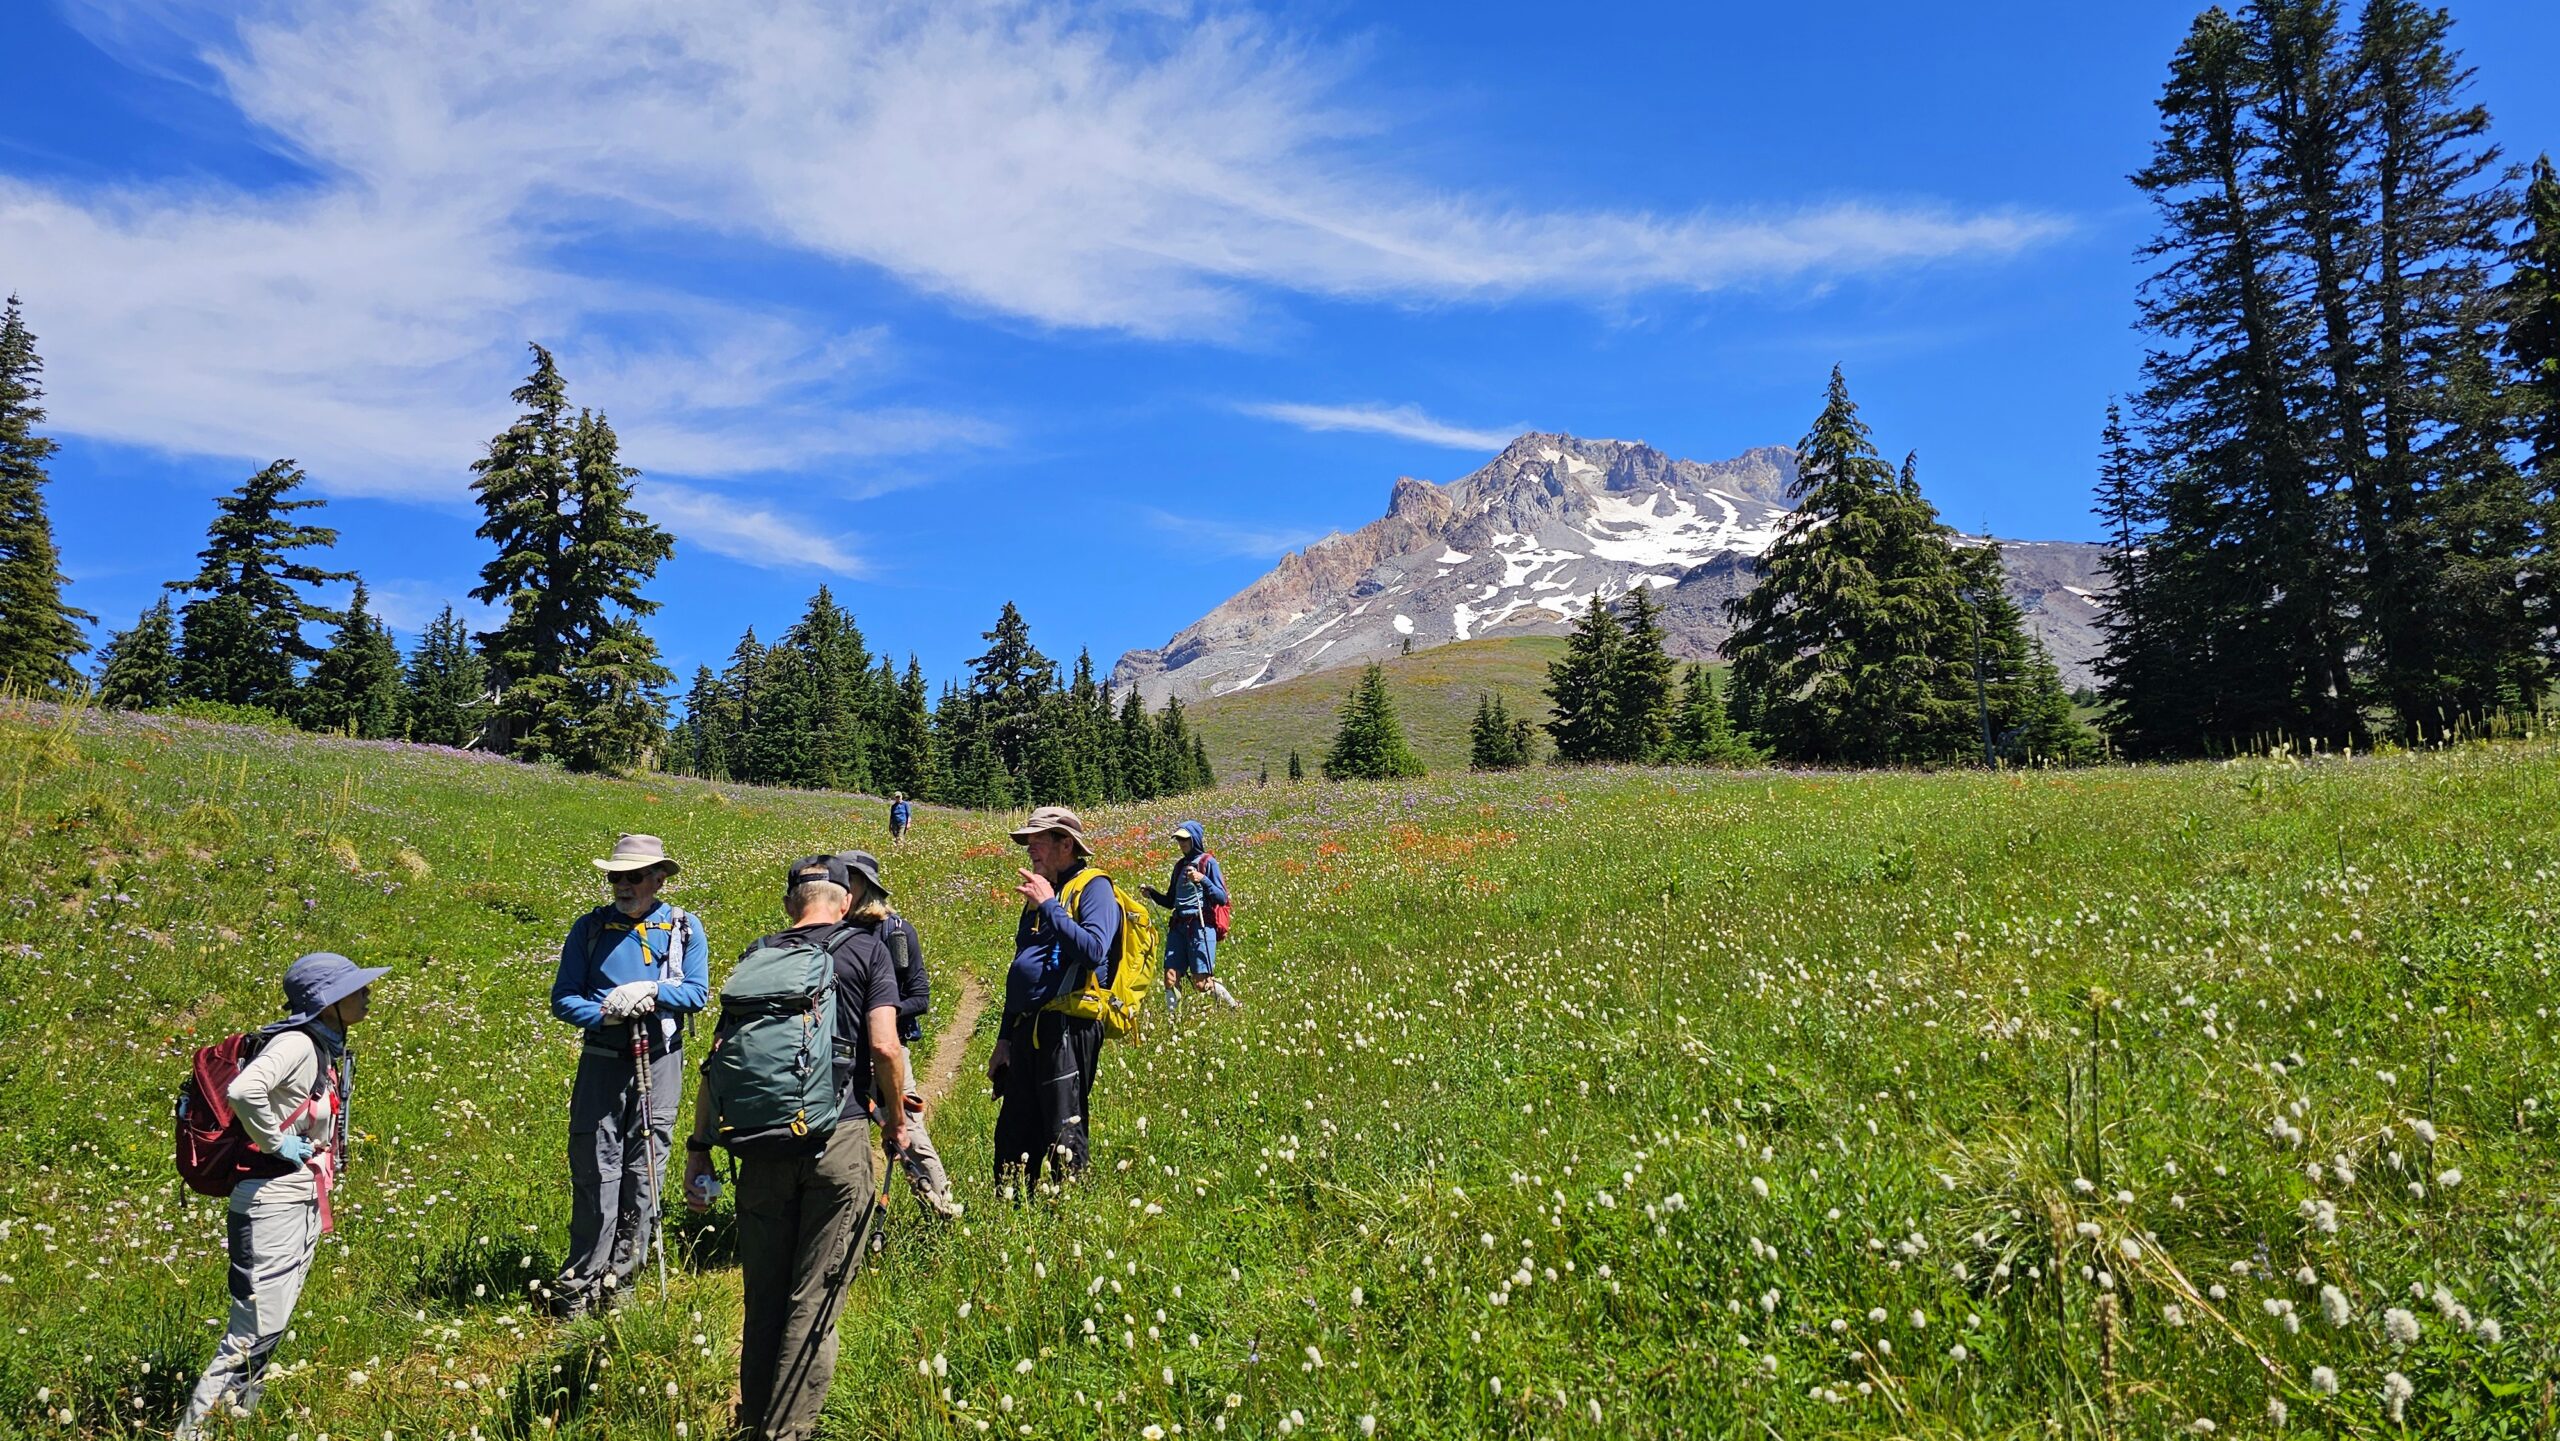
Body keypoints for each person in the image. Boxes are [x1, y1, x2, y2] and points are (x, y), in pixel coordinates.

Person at [683, 856, 906, 1441]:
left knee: (764, 1296)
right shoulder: (867, 949)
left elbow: (717, 1062)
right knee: (816, 1297)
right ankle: (787, 1434)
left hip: (759, 1148)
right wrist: (895, 1121)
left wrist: (699, 1148)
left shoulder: (757, 956)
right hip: (838, 1140)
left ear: (790, 905)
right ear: (845, 902)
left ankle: (755, 1421)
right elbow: (886, 1047)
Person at [177, 952, 388, 1439]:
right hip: (271, 1202)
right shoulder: (297, 1043)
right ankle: (194, 1432)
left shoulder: (323, 1045)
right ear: (328, 1002)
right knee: (251, 1332)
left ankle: (233, 1422)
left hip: (297, 1197)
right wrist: (276, 1143)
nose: (367, 994)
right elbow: (245, 1091)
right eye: (356, 988)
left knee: (270, 1326)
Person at [546, 833, 710, 1318]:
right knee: (596, 1169)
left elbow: (697, 993)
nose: (622, 885)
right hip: (602, 1058)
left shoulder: (683, 928)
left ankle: (623, 1281)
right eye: (615, 877)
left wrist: (653, 992)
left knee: (646, 1170)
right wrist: (606, 1014)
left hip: (660, 1058)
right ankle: (580, 1285)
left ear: (658, 879)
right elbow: (563, 998)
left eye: (633, 876)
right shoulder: (590, 928)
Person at [989, 805, 1118, 1197]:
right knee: (1013, 1133)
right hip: (1027, 1029)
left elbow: (1093, 950)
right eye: (1028, 842)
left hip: (1067, 1029)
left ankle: (1070, 1211)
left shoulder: (1095, 887)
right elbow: (1020, 967)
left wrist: (1049, 906)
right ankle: (1012, 1210)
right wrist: (1004, 1037)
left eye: (1038, 841)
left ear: (1066, 845)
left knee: (1064, 1131)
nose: (1030, 850)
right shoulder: (1043, 892)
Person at [833, 849, 961, 1220]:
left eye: (847, 879)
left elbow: (920, 997)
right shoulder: (831, 930)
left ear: (863, 886)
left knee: (908, 1131)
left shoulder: (896, 932)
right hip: (840, 1050)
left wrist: (880, 1013)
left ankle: (940, 1205)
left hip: (886, 1048)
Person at [1144, 820, 1239, 1016]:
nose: (1181, 844)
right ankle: (1173, 1020)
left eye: (1185, 839)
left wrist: (1202, 880)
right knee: (1170, 977)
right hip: (1178, 926)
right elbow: (1171, 901)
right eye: (1179, 840)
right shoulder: (1179, 866)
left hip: (1200, 926)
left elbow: (1222, 898)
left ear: (1195, 839)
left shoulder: (1208, 863)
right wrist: (1152, 894)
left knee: (1201, 983)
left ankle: (1233, 1007)